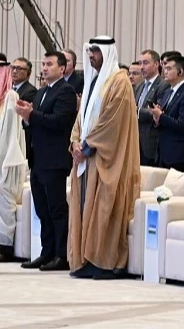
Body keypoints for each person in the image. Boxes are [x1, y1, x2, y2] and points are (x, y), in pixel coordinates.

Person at [67, 36, 141, 279]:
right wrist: (75, 142)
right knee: (84, 209)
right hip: (86, 159)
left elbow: (112, 122)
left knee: (103, 209)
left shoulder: (119, 82)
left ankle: (105, 263)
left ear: (107, 53)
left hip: (107, 160)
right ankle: (85, 260)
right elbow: (81, 118)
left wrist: (87, 146)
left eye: (96, 51)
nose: (91, 56)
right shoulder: (93, 81)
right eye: (90, 51)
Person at [15, 52, 77, 271]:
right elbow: (35, 123)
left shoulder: (66, 91)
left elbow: (59, 121)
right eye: (43, 64)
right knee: (42, 209)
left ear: (62, 69)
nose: (44, 68)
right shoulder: (41, 92)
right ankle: (46, 251)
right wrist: (27, 118)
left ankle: (62, 254)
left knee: (56, 208)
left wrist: (31, 115)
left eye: (49, 64)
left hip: (54, 159)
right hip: (38, 159)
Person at [151, 55, 184, 171]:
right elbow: (166, 118)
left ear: (180, 72)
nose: (164, 71)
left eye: (168, 69)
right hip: (164, 152)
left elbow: (183, 125)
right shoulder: (168, 91)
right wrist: (157, 119)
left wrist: (161, 115)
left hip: (178, 154)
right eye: (164, 68)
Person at [0, 61, 27, 262]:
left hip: (8, 161)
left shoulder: (11, 97)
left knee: (5, 203)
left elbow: (10, 135)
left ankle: (5, 246)